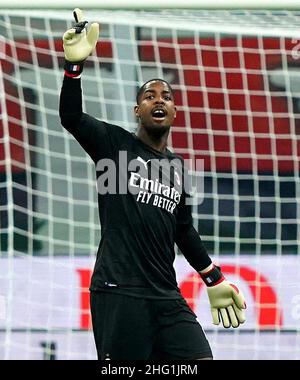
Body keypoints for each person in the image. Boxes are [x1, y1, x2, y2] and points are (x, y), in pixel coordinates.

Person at [59, 8, 246, 360]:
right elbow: (71, 116)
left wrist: (214, 278)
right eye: (149, 95)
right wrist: (74, 68)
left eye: (166, 96)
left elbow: (183, 230)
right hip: (119, 291)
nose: (158, 99)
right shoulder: (113, 145)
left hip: (167, 296)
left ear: (174, 112)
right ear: (137, 110)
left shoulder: (177, 167)